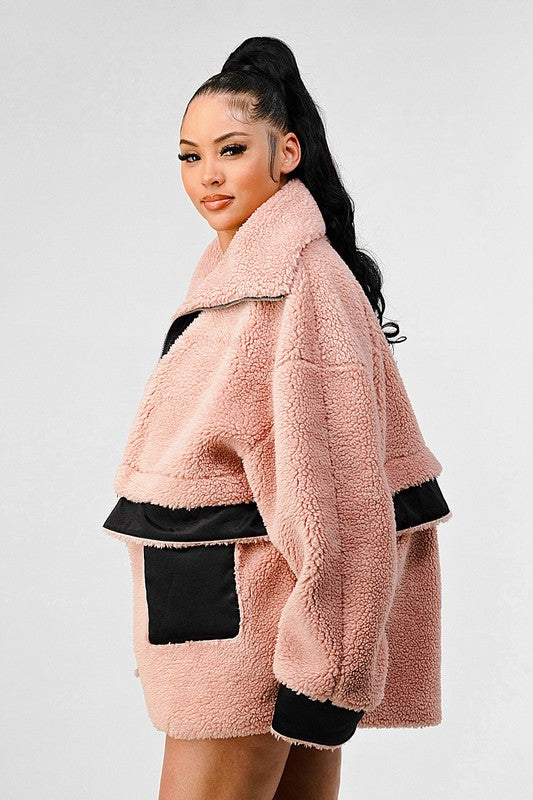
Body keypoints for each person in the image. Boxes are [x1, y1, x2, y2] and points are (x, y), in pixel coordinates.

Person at [101, 36, 452, 800]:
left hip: (257, 636)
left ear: (286, 151)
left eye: (231, 149)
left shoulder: (296, 283)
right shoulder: (243, 274)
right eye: (189, 156)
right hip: (234, 618)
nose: (207, 175)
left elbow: (341, 498)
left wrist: (326, 669)